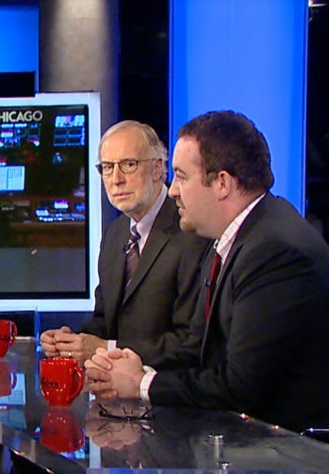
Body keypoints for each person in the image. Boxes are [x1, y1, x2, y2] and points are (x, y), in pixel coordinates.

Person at [86, 110, 329, 434]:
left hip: (319, 450)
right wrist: (132, 368)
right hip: (260, 437)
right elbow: (200, 351)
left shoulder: (274, 251)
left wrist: (142, 383)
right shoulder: (235, 239)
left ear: (222, 183)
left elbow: (241, 389)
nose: (172, 191)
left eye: (182, 177)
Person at [40, 121, 208, 366]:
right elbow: (105, 321)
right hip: (114, 384)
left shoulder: (191, 230)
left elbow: (189, 341)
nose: (116, 179)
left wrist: (107, 348)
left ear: (157, 169)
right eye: (108, 167)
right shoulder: (115, 233)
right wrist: (72, 340)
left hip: (166, 383)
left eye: (129, 165)